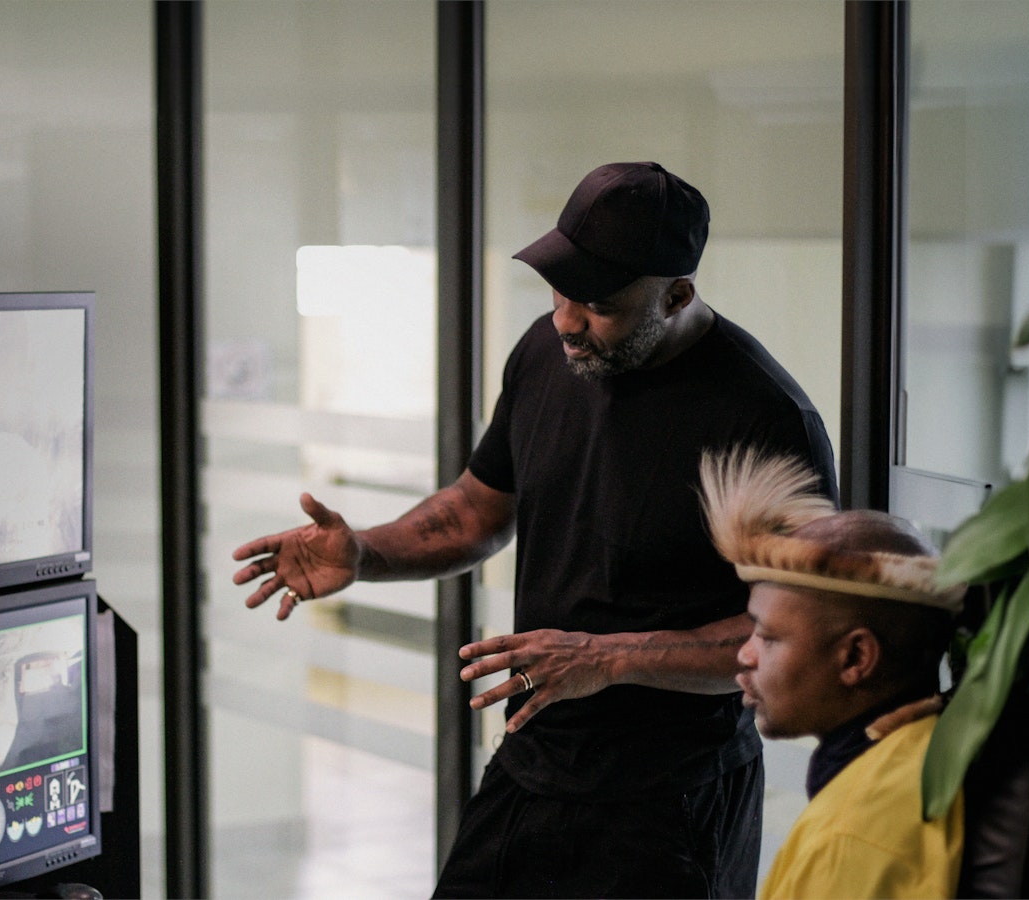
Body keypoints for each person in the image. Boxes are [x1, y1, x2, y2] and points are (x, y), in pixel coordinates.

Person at [232, 161, 837, 898]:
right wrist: (365, 552)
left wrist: (607, 658)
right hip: (535, 757)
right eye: (559, 288)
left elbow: (789, 633)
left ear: (676, 293)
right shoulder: (546, 356)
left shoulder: (764, 419)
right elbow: (476, 510)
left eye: (598, 303)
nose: (566, 319)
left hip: (672, 797)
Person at [698, 447, 965, 899]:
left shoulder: (848, 838)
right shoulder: (932, 755)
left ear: (856, 657)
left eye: (767, 636)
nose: (745, 655)